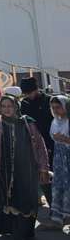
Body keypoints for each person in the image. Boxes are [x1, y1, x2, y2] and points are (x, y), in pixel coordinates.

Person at [0, 95, 50, 240]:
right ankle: (16, 234)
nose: (7, 109)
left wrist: (44, 168)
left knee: (25, 203)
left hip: (26, 171)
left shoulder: (27, 122)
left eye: (10, 106)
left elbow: (40, 145)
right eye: (3, 106)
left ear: (16, 106)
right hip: (1, 171)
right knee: (8, 203)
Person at [20, 77, 54, 204]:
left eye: (30, 92)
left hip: (52, 141)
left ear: (36, 89)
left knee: (54, 173)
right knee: (42, 175)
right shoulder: (24, 103)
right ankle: (52, 204)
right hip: (35, 144)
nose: (28, 96)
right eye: (26, 93)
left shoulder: (48, 100)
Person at [49, 95, 70, 228]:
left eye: (58, 107)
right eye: (53, 108)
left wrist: (65, 139)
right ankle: (60, 218)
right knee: (59, 186)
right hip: (59, 159)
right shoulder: (55, 121)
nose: (56, 110)